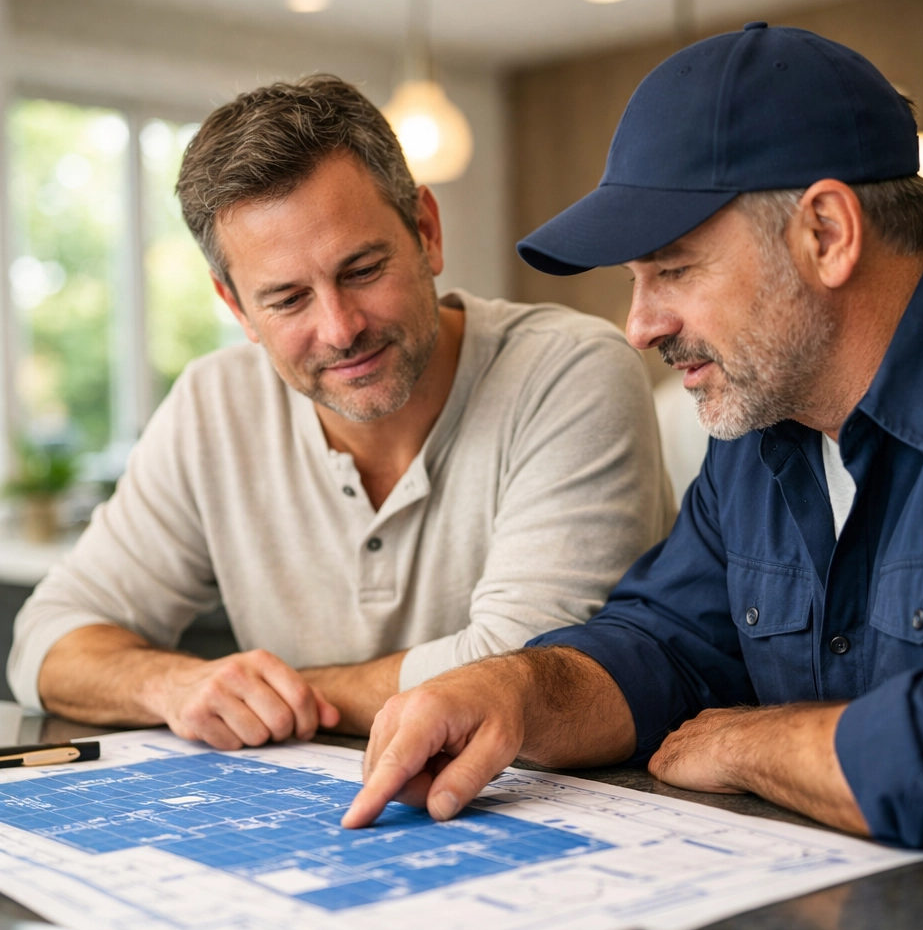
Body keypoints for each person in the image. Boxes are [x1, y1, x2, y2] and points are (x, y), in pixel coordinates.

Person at [343, 24, 923, 861]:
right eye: (635, 281)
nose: (640, 327)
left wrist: (751, 744)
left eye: (673, 269)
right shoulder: (766, 412)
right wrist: (512, 690)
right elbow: (666, 645)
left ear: (828, 234)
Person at [7, 76, 675, 750]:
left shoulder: (569, 370)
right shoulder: (213, 404)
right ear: (236, 307)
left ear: (427, 232)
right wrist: (173, 686)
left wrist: (277, 696)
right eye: (287, 299)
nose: (339, 328)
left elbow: (519, 674)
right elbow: (45, 639)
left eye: (360, 271)